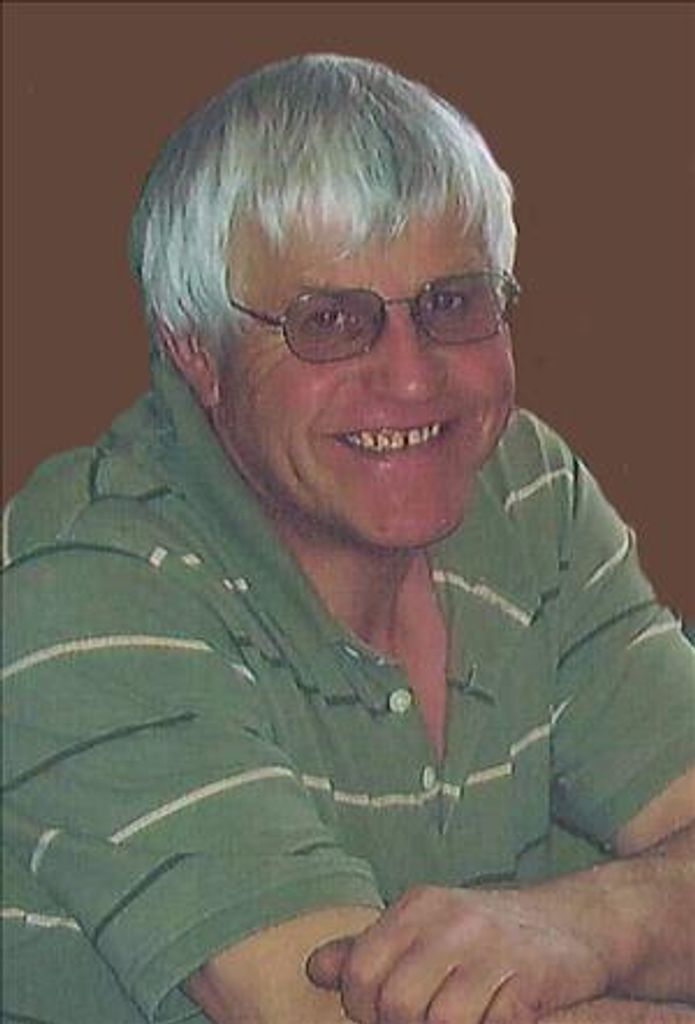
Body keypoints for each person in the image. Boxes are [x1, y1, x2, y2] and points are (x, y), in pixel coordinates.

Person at [2, 53, 694, 1024]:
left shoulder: (520, 488)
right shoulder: (79, 585)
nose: (411, 380)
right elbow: (338, 1014)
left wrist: (591, 922)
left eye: (451, 302)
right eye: (328, 321)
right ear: (195, 349)